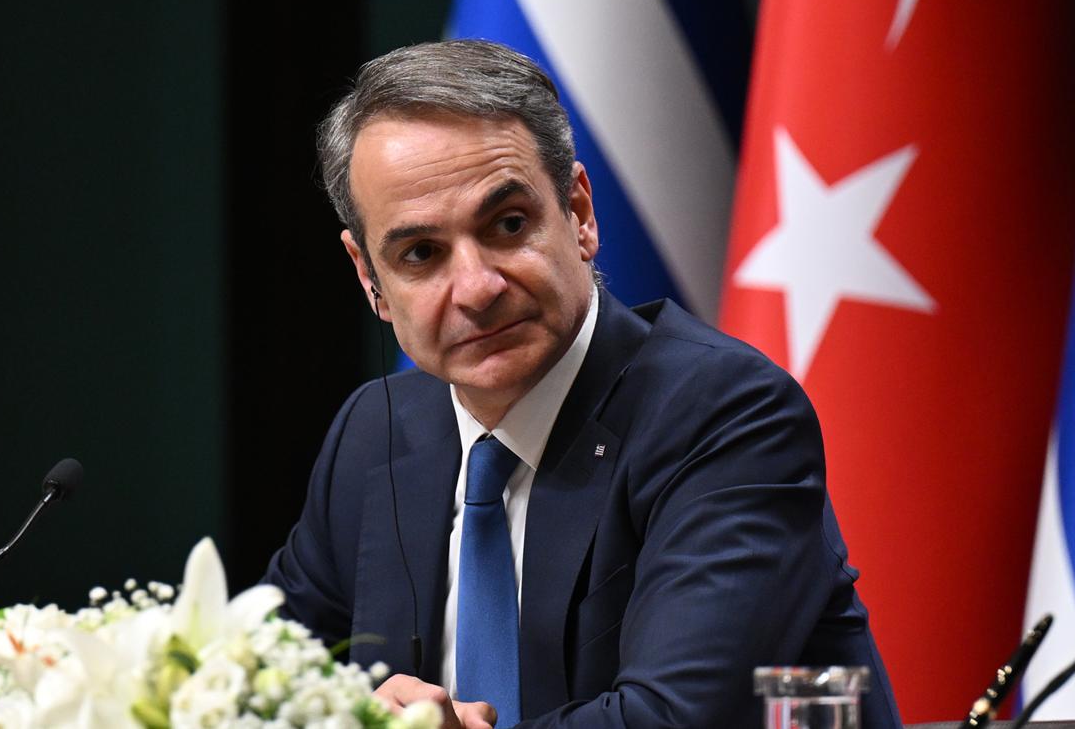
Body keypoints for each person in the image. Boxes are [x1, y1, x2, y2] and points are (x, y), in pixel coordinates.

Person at [265, 39, 901, 729]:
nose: (476, 288)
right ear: (370, 279)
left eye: (509, 225)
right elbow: (261, 683)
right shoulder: (376, 431)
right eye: (421, 254)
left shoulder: (727, 416)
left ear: (579, 213)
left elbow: (672, 719)